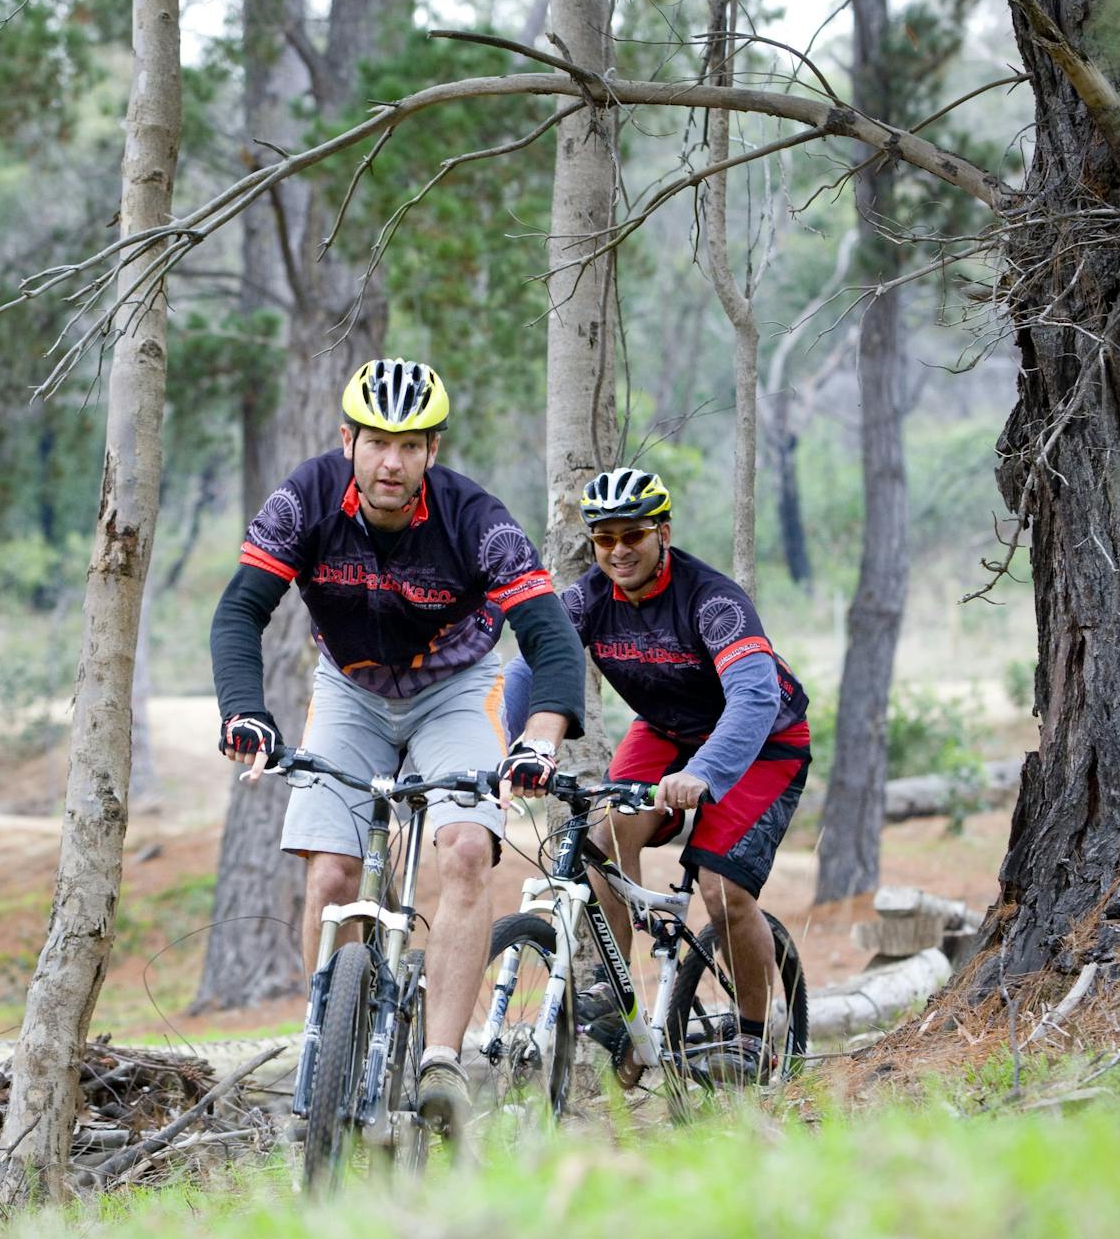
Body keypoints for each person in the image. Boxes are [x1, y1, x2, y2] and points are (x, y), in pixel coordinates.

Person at [211, 357, 586, 1129]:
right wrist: (244, 711)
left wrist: (539, 741)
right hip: (349, 688)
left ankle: (441, 1063)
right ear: (346, 440)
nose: (392, 461)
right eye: (377, 442)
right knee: (332, 877)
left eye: (410, 445)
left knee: (465, 851)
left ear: (432, 452)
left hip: (456, 689)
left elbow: (549, 638)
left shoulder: (476, 519)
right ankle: (329, 1050)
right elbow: (239, 613)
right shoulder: (303, 500)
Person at [503, 468, 811, 1085]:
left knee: (724, 895)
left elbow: (752, 699)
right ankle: (621, 1002)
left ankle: (754, 1038)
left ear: (662, 533)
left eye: (633, 536)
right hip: (668, 730)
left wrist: (704, 774)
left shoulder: (713, 600)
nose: (619, 550)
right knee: (602, 840)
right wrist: (526, 751)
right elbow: (527, 670)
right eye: (605, 539)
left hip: (764, 742)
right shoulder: (588, 600)